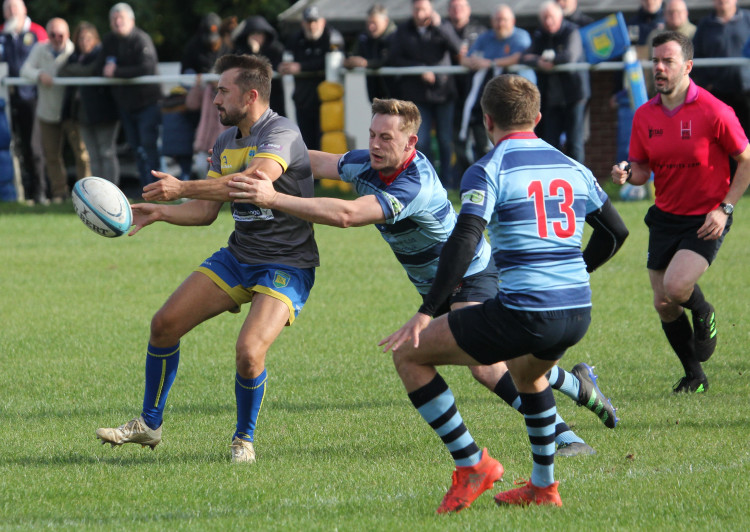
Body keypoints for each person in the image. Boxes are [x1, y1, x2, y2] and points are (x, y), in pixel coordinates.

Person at [228, 97, 621, 460]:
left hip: (470, 272)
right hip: (435, 286)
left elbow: (346, 216)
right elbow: (319, 161)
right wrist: (270, 154)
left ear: (410, 141)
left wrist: (273, 197)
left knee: (485, 365)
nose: (376, 144)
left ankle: (563, 436)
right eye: (372, 135)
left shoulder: (415, 183)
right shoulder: (367, 163)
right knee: (506, 356)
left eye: (386, 137)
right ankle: (579, 385)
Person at [379, 74, 627, 512]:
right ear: (537, 117)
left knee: (409, 355)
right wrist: (578, 269)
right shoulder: (572, 165)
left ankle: (472, 465)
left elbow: (465, 238)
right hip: (577, 310)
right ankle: (543, 488)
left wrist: (426, 310)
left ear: (486, 119)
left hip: (526, 312)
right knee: (527, 374)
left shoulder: (490, 167)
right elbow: (616, 231)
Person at [95, 54, 320, 464]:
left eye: (222, 91)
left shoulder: (281, 132)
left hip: (287, 263)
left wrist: (182, 186)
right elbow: (203, 212)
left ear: (251, 95)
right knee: (164, 324)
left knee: (249, 351)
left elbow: (255, 182)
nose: (214, 99)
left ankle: (243, 440)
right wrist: (162, 212)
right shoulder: (223, 141)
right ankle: (149, 423)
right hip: (240, 256)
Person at [611, 31, 750, 393]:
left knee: (675, 287)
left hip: (707, 216)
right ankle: (695, 376)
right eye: (654, 60)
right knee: (663, 302)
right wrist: (628, 171)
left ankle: (703, 311)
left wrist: (726, 208)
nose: (658, 67)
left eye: (667, 61)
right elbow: (642, 169)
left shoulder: (715, 110)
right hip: (664, 215)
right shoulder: (644, 115)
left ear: (687, 66)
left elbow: (746, 160)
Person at [388, 0, 462, 187]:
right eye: (417, 9)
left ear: (431, 10)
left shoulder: (443, 25)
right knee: (422, 141)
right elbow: (394, 58)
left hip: (444, 93)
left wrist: (440, 27)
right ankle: (429, 181)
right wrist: (419, 68)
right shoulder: (403, 30)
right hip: (417, 95)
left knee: (446, 140)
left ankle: (447, 182)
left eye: (424, 9)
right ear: (412, 10)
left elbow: (457, 49)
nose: (420, 13)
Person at [20, 17, 90, 203]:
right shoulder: (39, 48)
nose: (57, 38)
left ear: (67, 35)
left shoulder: (74, 51)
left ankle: (87, 196)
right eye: (53, 34)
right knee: (52, 156)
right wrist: (39, 74)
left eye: (61, 34)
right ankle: (60, 194)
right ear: (48, 35)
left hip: (72, 113)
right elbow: (24, 69)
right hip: (47, 112)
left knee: (82, 154)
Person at [459, 4, 535, 164]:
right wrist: (471, 61)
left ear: (512, 21)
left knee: (518, 137)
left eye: (504, 20)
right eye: (498, 20)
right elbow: (466, 59)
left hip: (521, 99)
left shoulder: (521, 36)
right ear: (492, 22)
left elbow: (519, 56)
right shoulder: (486, 37)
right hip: (495, 98)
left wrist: (490, 63)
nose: (501, 24)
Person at [99, 2, 162, 189]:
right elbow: (99, 67)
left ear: (131, 20)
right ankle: (146, 189)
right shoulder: (109, 41)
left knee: (148, 147)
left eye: (121, 18)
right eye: (114, 19)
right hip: (126, 106)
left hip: (147, 104)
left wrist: (116, 72)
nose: (118, 22)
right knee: (136, 149)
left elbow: (147, 68)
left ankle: (160, 188)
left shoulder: (141, 39)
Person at [522, 1, 590, 164]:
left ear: (559, 17)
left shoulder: (571, 31)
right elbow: (525, 57)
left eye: (551, 17)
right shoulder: (540, 34)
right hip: (551, 99)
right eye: (544, 18)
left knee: (575, 144)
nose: (548, 21)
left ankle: (578, 183)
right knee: (550, 143)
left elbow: (569, 56)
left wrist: (547, 59)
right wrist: (539, 62)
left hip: (574, 96)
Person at [58, 22, 121, 185]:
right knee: (92, 155)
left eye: (88, 38)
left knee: (106, 153)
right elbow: (61, 71)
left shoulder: (102, 53)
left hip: (104, 113)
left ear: (95, 39)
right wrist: (78, 69)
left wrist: (75, 70)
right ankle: (100, 192)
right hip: (83, 114)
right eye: (81, 39)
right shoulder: (75, 57)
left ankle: (113, 191)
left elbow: (91, 70)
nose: (84, 42)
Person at [0, 0, 47, 205]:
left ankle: (40, 194)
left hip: (31, 97)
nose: (11, 11)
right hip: (6, 99)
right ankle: (19, 195)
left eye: (15, 6)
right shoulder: (2, 33)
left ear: (24, 9)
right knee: (9, 147)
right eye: (7, 7)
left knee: (33, 147)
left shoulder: (37, 32)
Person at [278, 6, 344, 150]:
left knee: (327, 144)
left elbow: (333, 62)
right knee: (307, 145)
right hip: (303, 100)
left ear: (322, 21)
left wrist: (301, 67)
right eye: (308, 22)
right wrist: (282, 66)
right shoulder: (295, 39)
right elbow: (284, 58)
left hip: (327, 103)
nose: (312, 25)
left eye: (315, 21)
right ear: (303, 23)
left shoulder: (332, 37)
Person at [694, 0, 750, 137]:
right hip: (718, 95)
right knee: (723, 138)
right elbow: (695, 56)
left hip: (747, 93)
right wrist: (707, 84)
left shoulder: (748, 19)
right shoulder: (704, 25)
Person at [445, 0, 486, 184]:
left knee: (483, 142)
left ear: (468, 10)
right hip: (451, 95)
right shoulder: (442, 30)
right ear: (448, 10)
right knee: (457, 142)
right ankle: (465, 182)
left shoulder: (481, 31)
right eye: (453, 7)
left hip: (478, 98)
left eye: (461, 6)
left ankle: (483, 182)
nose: (457, 11)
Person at [233, 15, 286, 117]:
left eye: (259, 33)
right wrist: (254, 52)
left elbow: (268, 70)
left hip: (273, 97)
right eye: (253, 34)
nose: (256, 37)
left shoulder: (276, 49)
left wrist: (256, 53)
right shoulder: (241, 51)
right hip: (249, 100)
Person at [342, 3, 397, 101]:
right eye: (369, 23)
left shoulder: (396, 37)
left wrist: (366, 63)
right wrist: (350, 62)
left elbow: (388, 60)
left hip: (397, 95)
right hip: (375, 95)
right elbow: (354, 56)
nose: (371, 27)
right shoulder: (364, 38)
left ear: (386, 21)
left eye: (374, 23)